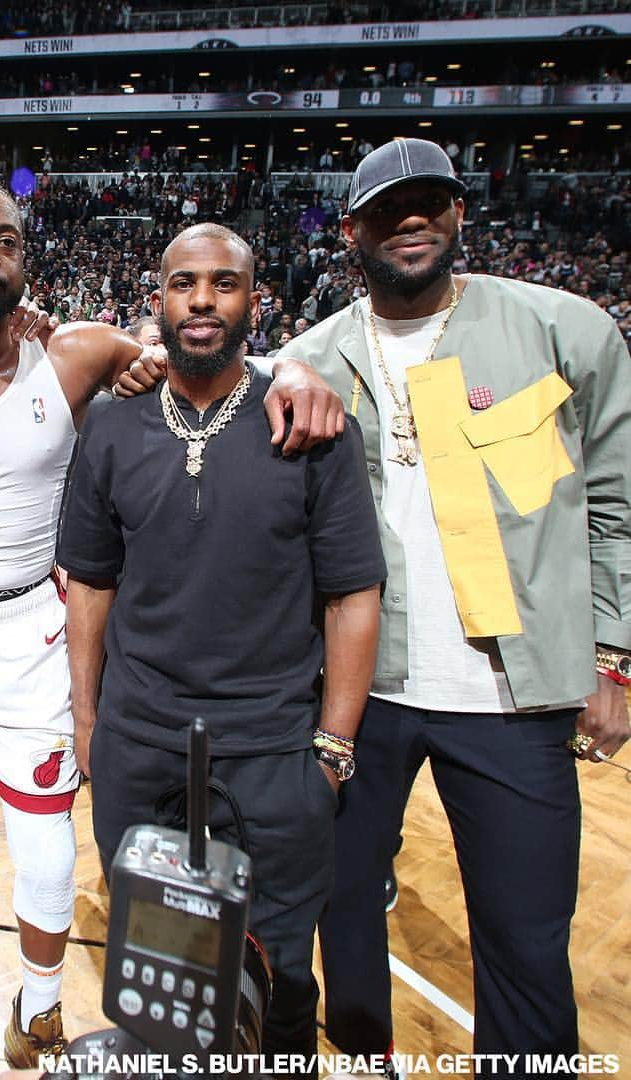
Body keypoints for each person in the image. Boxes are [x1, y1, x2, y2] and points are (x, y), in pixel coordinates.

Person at [0, 181, 344, 1080]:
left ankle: (39, 1012)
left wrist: (299, 372)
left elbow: (205, 351)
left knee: (47, 842)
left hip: (36, 619)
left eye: (7, 238)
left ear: (27, 260)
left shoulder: (79, 353)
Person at [281, 138, 631, 1076]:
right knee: (341, 911)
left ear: (460, 215)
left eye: (433, 201)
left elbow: (617, 506)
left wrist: (613, 657)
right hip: (362, 696)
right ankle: (365, 1059)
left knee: (525, 943)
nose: (413, 220)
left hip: (515, 703)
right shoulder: (308, 361)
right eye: (390, 207)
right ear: (349, 229)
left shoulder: (567, 332)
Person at [57, 223, 386, 1068]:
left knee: (274, 977)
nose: (202, 301)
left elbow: (353, 594)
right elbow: (90, 581)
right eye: (183, 284)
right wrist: (90, 721)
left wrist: (334, 748)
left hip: (274, 750)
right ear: (157, 299)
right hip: (141, 741)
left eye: (223, 284)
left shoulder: (310, 425)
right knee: (156, 970)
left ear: (254, 300)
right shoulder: (113, 424)